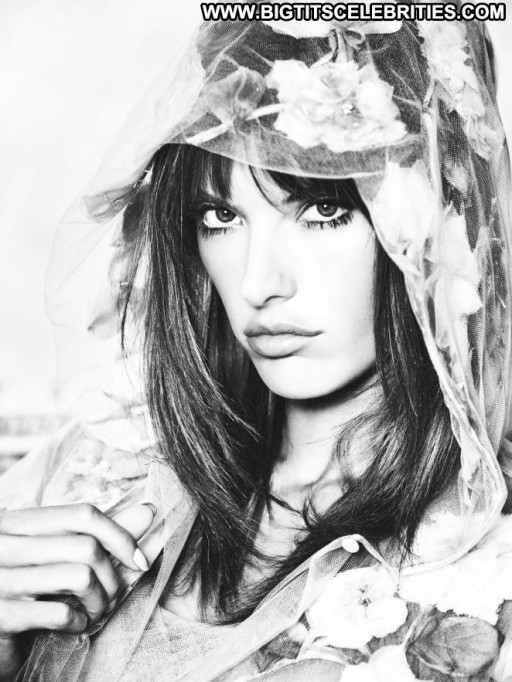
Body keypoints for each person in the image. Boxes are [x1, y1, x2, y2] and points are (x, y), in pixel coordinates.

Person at [1, 2, 511, 680]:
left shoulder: (484, 573)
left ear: (442, 220)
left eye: (323, 210)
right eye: (221, 216)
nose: (257, 282)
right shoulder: (94, 469)